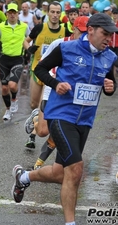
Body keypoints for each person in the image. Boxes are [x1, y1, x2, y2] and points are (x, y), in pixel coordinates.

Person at [12, 13, 118, 225]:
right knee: (76, 169)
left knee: (61, 172)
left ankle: (24, 177)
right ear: (90, 30)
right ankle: (70, 223)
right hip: (60, 115)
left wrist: (110, 87)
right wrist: (55, 84)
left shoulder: (110, 57)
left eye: (111, 35)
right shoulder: (67, 49)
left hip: (84, 121)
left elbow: (109, 84)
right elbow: (39, 68)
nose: (109, 39)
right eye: (105, 33)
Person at [26, 16, 90, 170]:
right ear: (74, 29)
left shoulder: (89, 49)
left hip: (71, 96)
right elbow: (42, 67)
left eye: (87, 32)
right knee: (42, 131)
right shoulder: (59, 43)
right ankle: (35, 117)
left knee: (59, 129)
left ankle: (39, 163)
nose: (83, 36)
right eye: (81, 32)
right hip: (51, 89)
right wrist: (53, 83)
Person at [24, 1, 65, 148]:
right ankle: (34, 119)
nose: (54, 15)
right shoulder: (40, 27)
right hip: (37, 69)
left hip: (52, 75)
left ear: (60, 14)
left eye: (57, 12)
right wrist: (29, 48)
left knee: (43, 105)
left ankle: (32, 137)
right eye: (52, 12)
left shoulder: (65, 31)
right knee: (34, 104)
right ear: (48, 13)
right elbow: (26, 40)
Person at [0, 3, 30, 120]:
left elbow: (30, 39)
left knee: (12, 85)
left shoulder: (24, 26)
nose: (12, 15)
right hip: (4, 59)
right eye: (10, 13)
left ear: (18, 14)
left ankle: (14, 99)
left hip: (18, 58)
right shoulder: (1, 26)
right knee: (4, 88)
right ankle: (8, 110)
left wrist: (29, 49)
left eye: (14, 13)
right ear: (6, 14)